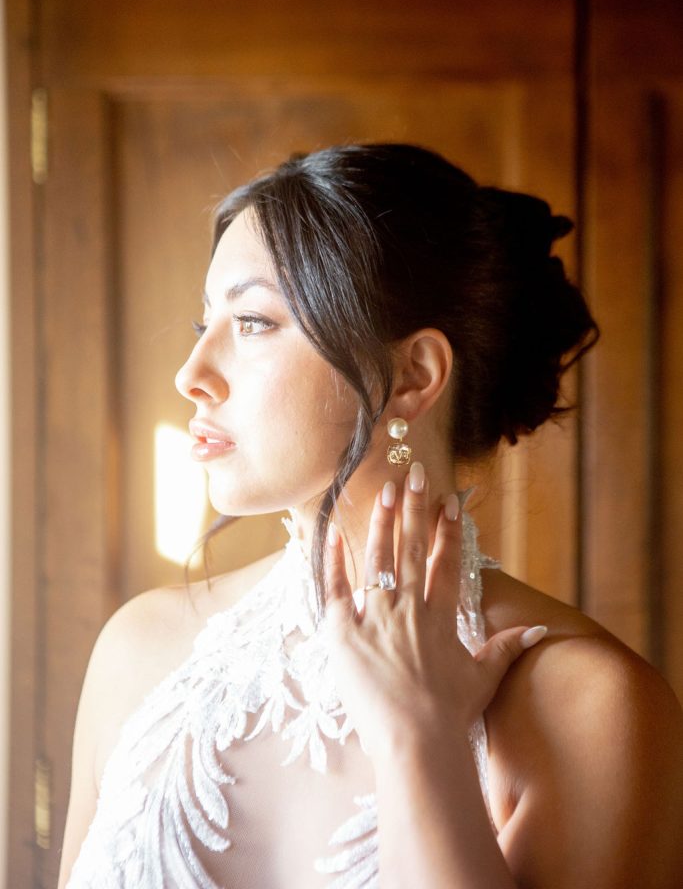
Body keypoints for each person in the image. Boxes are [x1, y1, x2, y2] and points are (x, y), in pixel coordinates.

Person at [59, 143, 683, 889]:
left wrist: (416, 736)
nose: (190, 376)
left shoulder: (591, 706)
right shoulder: (140, 651)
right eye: (204, 327)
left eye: (253, 322)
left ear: (412, 375)